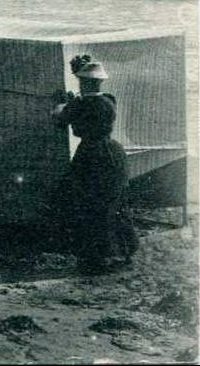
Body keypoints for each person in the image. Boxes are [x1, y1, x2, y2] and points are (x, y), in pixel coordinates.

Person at [52, 55, 138, 274]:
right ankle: (124, 251)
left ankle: (94, 258)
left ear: (84, 82)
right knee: (114, 205)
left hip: (91, 155)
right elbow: (86, 105)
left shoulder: (80, 103)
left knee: (88, 206)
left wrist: (62, 103)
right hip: (114, 154)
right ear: (100, 82)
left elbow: (60, 118)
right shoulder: (109, 100)